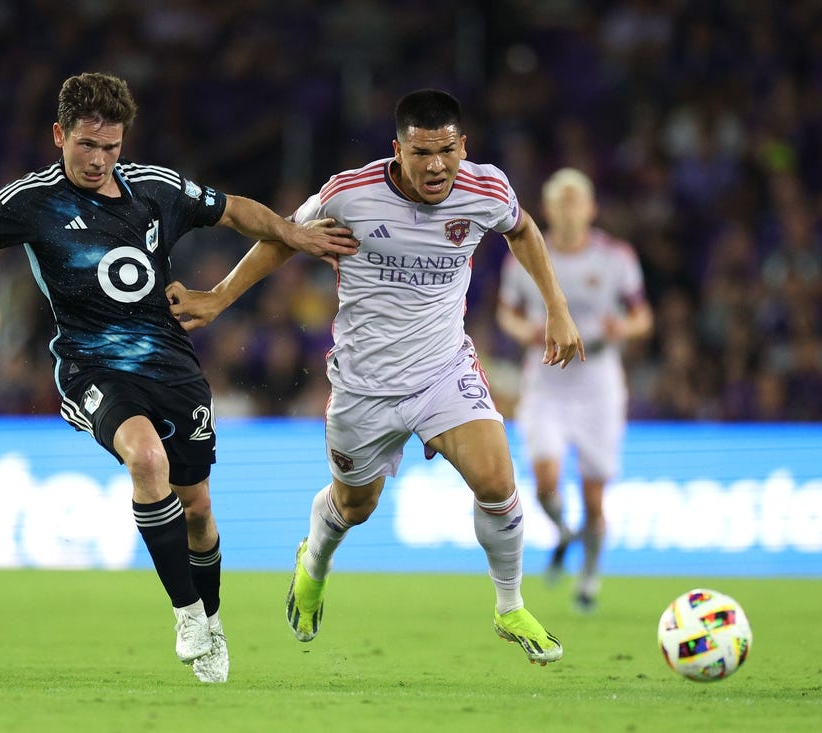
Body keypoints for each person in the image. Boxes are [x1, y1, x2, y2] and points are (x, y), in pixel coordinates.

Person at [0, 72, 359, 684]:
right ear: (59, 135)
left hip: (171, 362)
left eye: (111, 147)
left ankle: (212, 620)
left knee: (197, 509)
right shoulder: (29, 201)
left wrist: (290, 231)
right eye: (87, 145)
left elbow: (232, 211)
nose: (99, 159)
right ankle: (187, 613)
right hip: (91, 367)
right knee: (145, 460)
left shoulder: (156, 189)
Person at [167, 89, 583, 665]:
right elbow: (283, 238)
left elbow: (523, 230)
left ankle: (509, 605)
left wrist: (557, 308)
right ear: (398, 150)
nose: (436, 166)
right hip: (364, 386)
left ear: (464, 146)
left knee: (497, 482)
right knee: (354, 506)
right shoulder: (350, 193)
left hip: (443, 370)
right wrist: (217, 298)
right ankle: (313, 560)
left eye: (446, 151)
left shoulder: (486, 188)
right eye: (421, 153)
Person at [496, 167, 653, 612]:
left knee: (594, 497)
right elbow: (505, 312)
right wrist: (524, 329)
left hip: (597, 384)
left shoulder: (615, 257)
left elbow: (643, 317)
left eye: (576, 200)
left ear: (591, 208)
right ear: (547, 209)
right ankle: (564, 532)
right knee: (545, 482)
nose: (568, 208)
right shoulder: (523, 254)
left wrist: (623, 326)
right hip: (545, 381)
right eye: (560, 200)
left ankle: (589, 573)